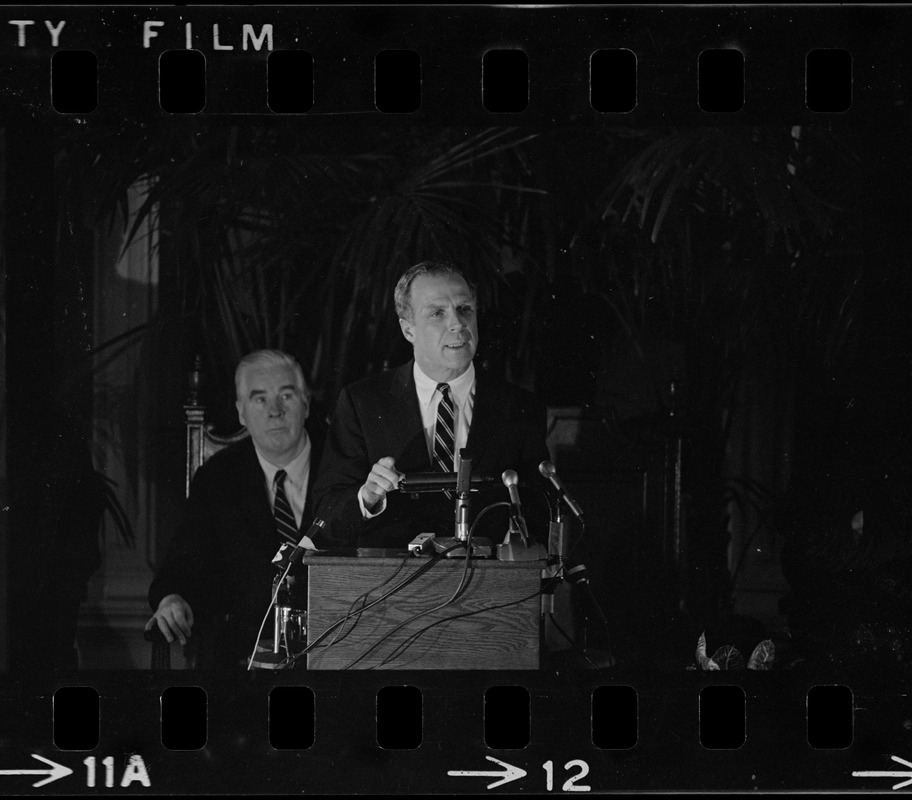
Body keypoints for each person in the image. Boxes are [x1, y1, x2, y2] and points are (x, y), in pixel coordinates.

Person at [312, 260, 551, 550]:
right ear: (408, 330)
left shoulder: (518, 405)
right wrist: (367, 498)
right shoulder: (363, 401)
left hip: (490, 588)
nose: (457, 324)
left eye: (465, 310)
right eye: (437, 313)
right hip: (390, 587)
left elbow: (541, 514)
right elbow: (327, 515)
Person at [146, 349, 325, 668]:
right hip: (242, 663)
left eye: (286, 395)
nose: (275, 411)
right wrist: (171, 598)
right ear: (241, 412)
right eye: (260, 399)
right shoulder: (218, 477)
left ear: (306, 402)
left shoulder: (343, 467)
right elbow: (181, 565)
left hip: (334, 649)